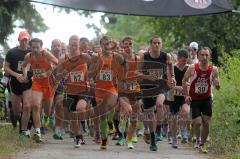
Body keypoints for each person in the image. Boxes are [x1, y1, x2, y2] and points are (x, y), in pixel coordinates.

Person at [88, 35, 127, 150]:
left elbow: (125, 65)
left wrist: (123, 77)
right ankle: (104, 139)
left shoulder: (116, 57)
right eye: (105, 44)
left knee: (110, 103)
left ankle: (111, 121)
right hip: (99, 89)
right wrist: (96, 68)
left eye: (109, 43)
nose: (107, 46)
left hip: (111, 87)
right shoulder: (96, 57)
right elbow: (89, 74)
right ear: (101, 45)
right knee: (102, 115)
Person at [139, 35, 175, 151]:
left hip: (161, 86)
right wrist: (147, 76)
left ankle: (159, 128)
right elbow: (137, 72)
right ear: (151, 44)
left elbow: (170, 66)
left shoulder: (166, 56)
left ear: (161, 44)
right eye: (154, 43)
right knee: (150, 114)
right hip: (147, 87)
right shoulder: (144, 56)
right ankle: (153, 138)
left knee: (159, 104)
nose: (156, 45)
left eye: (159, 43)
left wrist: (172, 77)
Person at [182, 47, 220, 153]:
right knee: (197, 122)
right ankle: (198, 140)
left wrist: (217, 85)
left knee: (207, 122)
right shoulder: (192, 68)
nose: (204, 57)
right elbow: (184, 81)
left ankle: (202, 144)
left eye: (206, 55)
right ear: (198, 56)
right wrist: (186, 96)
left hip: (207, 98)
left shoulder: (214, 69)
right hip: (195, 99)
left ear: (210, 56)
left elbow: (217, 85)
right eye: (202, 55)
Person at [22, 38, 58, 143]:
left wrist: (48, 72)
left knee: (47, 111)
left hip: (49, 84)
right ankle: (38, 131)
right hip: (37, 83)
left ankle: (47, 117)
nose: (35, 49)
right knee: (36, 105)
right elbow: (24, 66)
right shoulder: (29, 56)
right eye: (33, 47)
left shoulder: (46, 54)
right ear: (30, 47)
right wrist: (25, 75)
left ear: (41, 46)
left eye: (37, 47)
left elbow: (57, 62)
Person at [4, 31, 32, 139]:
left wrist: (32, 76)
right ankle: (16, 116)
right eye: (22, 40)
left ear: (28, 40)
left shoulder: (32, 52)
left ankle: (23, 131)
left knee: (27, 106)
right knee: (17, 111)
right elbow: (6, 68)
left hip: (28, 82)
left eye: (26, 40)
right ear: (18, 40)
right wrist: (16, 75)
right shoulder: (12, 52)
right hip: (15, 82)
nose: (24, 42)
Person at [168, 49, 190, 148]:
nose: (184, 62)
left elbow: (191, 82)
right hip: (173, 95)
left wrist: (186, 87)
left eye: (186, 60)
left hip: (184, 95)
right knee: (174, 119)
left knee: (185, 111)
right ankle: (174, 138)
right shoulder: (172, 68)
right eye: (182, 60)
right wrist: (178, 87)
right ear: (178, 59)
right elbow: (168, 84)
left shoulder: (189, 68)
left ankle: (183, 129)